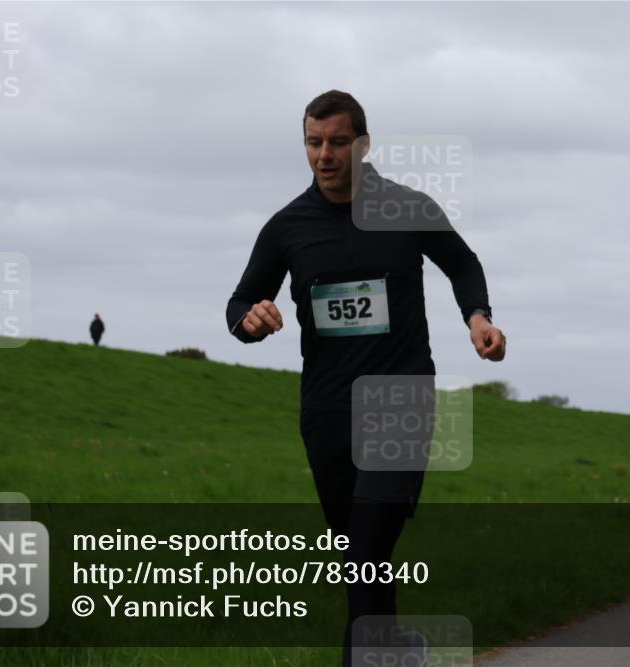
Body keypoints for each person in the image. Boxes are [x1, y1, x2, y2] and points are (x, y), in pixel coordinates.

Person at [226, 90, 506, 665]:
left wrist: (478, 318)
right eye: (313, 142)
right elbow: (238, 304)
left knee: (367, 543)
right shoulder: (288, 227)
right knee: (359, 550)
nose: (324, 154)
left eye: (335, 142)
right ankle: (397, 649)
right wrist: (252, 320)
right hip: (326, 412)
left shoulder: (408, 207)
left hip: (401, 399)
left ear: (363, 144)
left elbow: (462, 263)